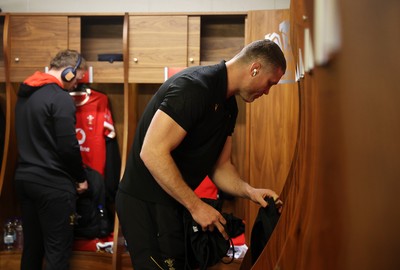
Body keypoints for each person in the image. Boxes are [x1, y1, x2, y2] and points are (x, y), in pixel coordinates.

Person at [116, 39, 286, 269]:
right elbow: (152, 152)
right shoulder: (194, 88)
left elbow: (220, 166)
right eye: (269, 83)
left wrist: (250, 191)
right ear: (255, 68)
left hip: (174, 202)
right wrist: (196, 206)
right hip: (145, 203)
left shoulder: (229, 106)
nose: (266, 92)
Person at [14, 49, 89, 270]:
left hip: (25, 180)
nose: (77, 84)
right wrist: (81, 178)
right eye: (78, 78)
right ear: (68, 72)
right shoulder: (59, 98)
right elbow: (68, 147)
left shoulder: (25, 93)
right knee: (57, 252)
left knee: (32, 249)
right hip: (52, 186)